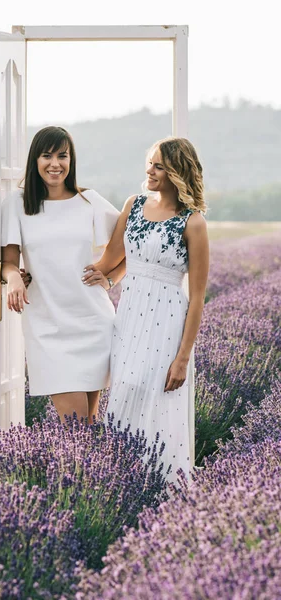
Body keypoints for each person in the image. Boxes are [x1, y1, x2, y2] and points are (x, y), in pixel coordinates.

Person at [83, 137, 209, 482]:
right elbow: (108, 262)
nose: (149, 171)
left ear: (177, 172)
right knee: (124, 392)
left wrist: (183, 358)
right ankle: (123, 482)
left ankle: (165, 488)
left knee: (156, 399)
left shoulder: (193, 223)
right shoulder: (133, 205)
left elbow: (197, 297)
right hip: (129, 318)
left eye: (158, 166)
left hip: (167, 322)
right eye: (149, 163)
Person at [1, 126, 125, 425]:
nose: (55, 164)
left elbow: (136, 246)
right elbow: (7, 261)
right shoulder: (17, 204)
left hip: (93, 323)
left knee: (87, 427)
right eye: (47, 156)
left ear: (72, 160)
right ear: (35, 160)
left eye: (62, 156)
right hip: (48, 327)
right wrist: (14, 278)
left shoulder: (90, 201)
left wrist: (111, 278)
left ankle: (97, 473)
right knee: (76, 428)